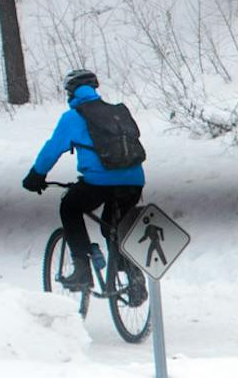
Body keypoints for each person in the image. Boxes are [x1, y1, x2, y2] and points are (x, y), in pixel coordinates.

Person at [22, 68, 146, 300]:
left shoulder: (73, 117)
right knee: (113, 227)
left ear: (71, 93)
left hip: (100, 182)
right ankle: (134, 276)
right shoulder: (117, 111)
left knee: (69, 207)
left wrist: (35, 176)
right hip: (134, 181)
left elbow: (52, 149)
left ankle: (82, 268)